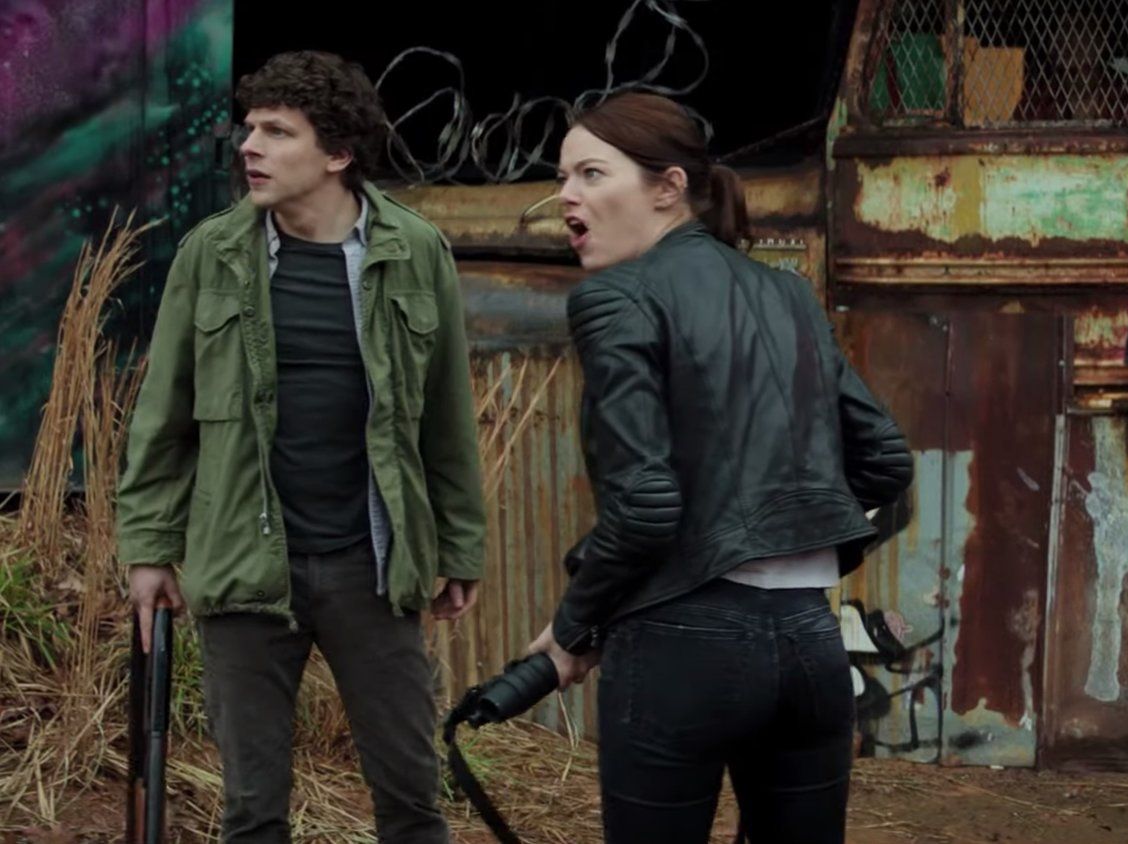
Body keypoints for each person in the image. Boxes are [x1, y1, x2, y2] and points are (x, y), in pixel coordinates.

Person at [523, 92, 913, 844]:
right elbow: (885, 460)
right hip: (809, 644)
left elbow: (644, 506)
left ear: (668, 187)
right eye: (563, 176)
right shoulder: (787, 293)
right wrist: (786, 542)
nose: (566, 194)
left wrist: (573, 629)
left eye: (592, 173)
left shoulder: (616, 297)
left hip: (681, 651)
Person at [117, 50, 486, 843]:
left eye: (278, 132)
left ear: (338, 153)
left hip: (370, 566)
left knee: (412, 798)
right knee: (252, 809)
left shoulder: (413, 250)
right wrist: (148, 549)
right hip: (245, 564)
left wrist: (459, 544)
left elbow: (446, 419)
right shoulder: (211, 253)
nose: (249, 146)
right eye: (249, 128)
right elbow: (163, 416)